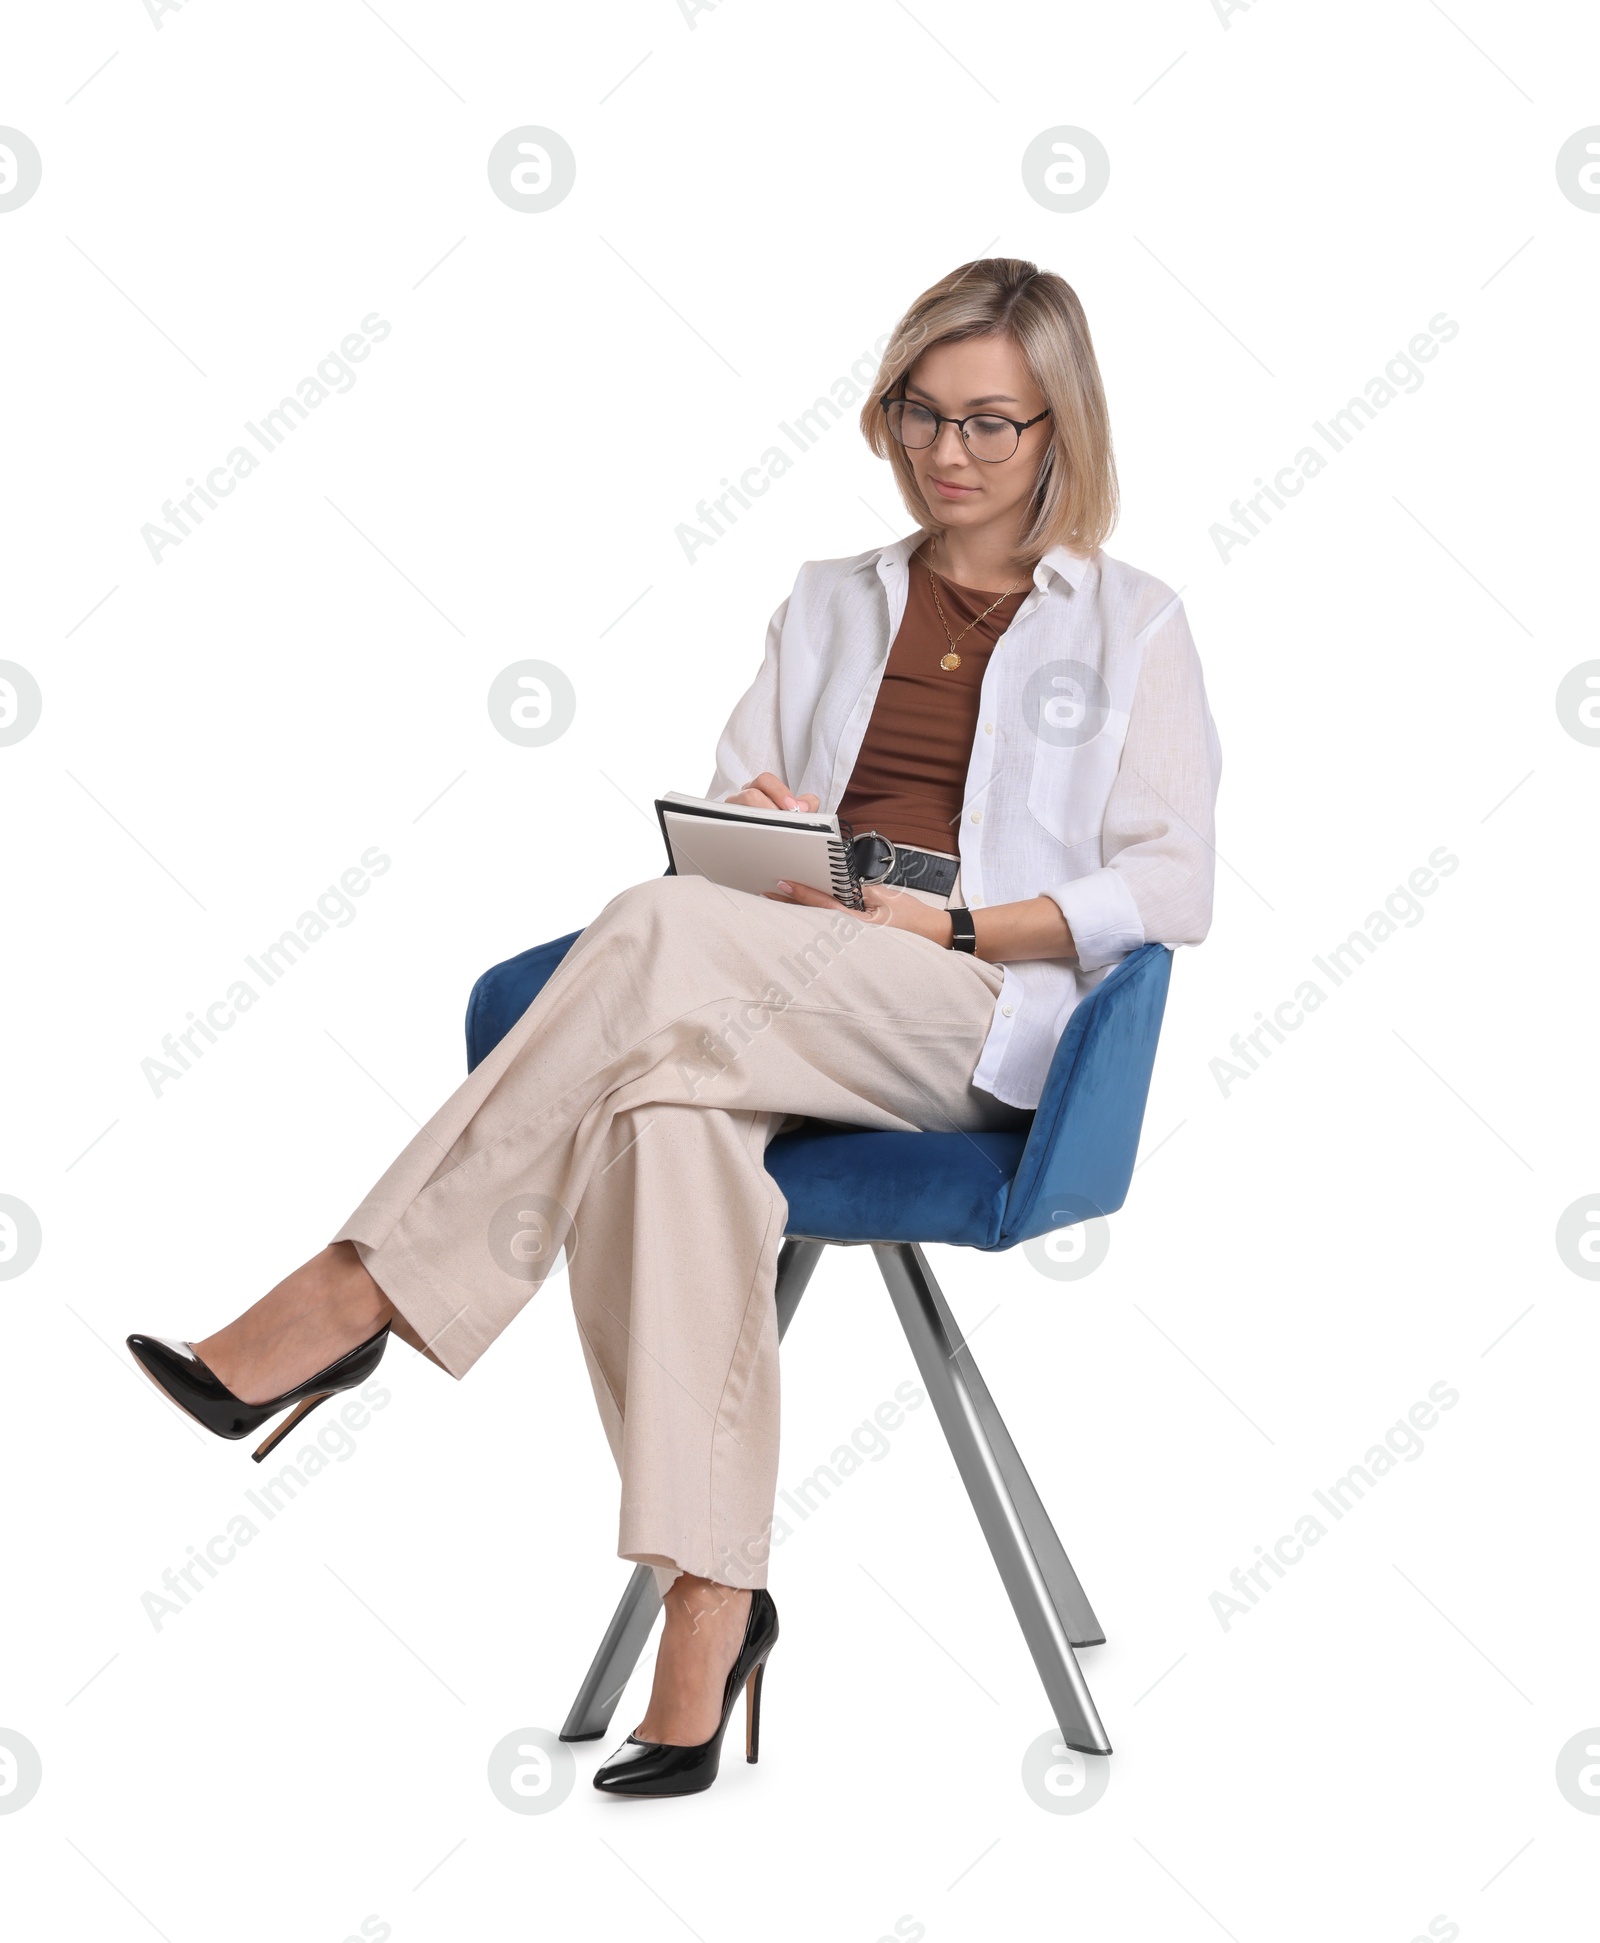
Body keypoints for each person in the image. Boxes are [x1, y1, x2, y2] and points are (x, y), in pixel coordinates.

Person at [128, 256, 1221, 1798]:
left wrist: (957, 923)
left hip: (970, 1007)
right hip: (774, 977)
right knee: (659, 1118)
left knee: (641, 935)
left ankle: (357, 1291)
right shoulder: (829, 599)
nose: (947, 452)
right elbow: (725, 811)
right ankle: (714, 1610)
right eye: (921, 413)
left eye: (991, 422)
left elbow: (1173, 883)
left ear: (1060, 432)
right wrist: (766, 823)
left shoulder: (1132, 624)